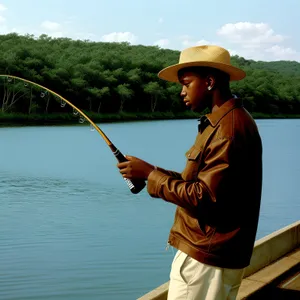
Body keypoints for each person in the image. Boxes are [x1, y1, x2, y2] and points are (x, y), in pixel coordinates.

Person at [117, 45, 263, 300]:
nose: (182, 92)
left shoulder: (226, 130)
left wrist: (151, 175)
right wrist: (149, 171)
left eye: (186, 83)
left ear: (209, 81)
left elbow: (203, 196)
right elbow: (204, 184)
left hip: (205, 260)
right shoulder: (230, 121)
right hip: (216, 256)